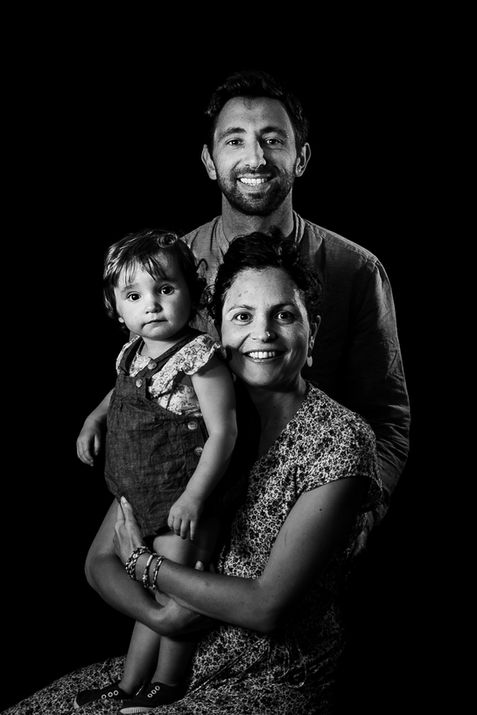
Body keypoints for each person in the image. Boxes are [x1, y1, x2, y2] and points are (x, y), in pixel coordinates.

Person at [5, 232, 382, 714]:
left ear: (314, 332)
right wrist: (164, 617)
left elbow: (265, 607)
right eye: (242, 316)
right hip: (170, 652)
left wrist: (143, 563)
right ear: (216, 331)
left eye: (284, 315)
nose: (262, 333)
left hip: (269, 673)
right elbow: (99, 562)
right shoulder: (183, 417)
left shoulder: (339, 439)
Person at [183, 68, 410, 522]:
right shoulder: (175, 269)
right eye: (234, 141)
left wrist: (360, 516)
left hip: (312, 508)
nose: (255, 158)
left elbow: (386, 415)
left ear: (301, 158)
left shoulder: (355, 270)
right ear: (209, 161)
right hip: (195, 513)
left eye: (272, 140)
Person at [74, 229, 238, 709]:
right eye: (134, 296)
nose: (151, 304)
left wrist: (193, 497)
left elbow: (224, 432)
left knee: (171, 592)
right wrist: (94, 419)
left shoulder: (200, 358)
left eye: (165, 289)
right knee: (143, 592)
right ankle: (129, 685)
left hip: (181, 494)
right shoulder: (133, 353)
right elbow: (120, 393)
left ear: (192, 291)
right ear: (116, 307)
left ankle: (167, 683)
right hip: (137, 492)